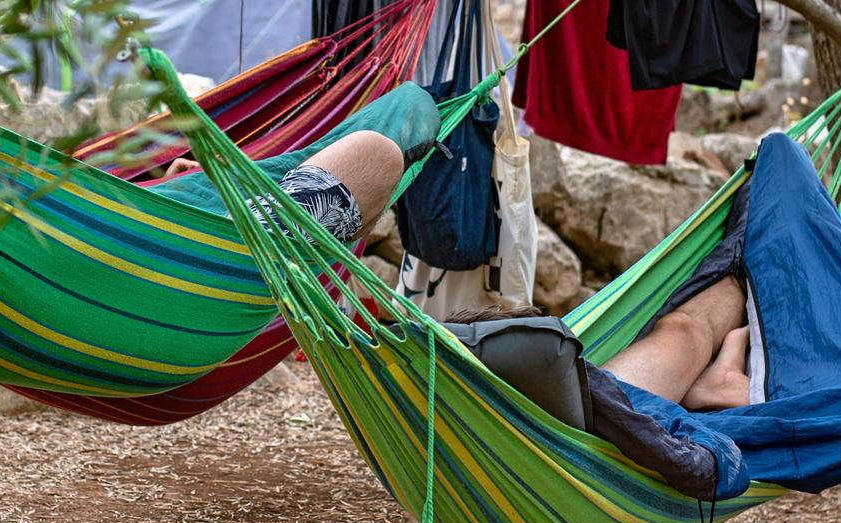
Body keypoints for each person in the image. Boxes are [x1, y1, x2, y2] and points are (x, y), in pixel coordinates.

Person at [170, 129, 753, 412]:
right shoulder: (597, 406)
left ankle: (224, 206)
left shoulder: (590, 402)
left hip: (183, 265)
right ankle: (238, 210)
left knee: (694, 324)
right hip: (216, 259)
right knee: (378, 148)